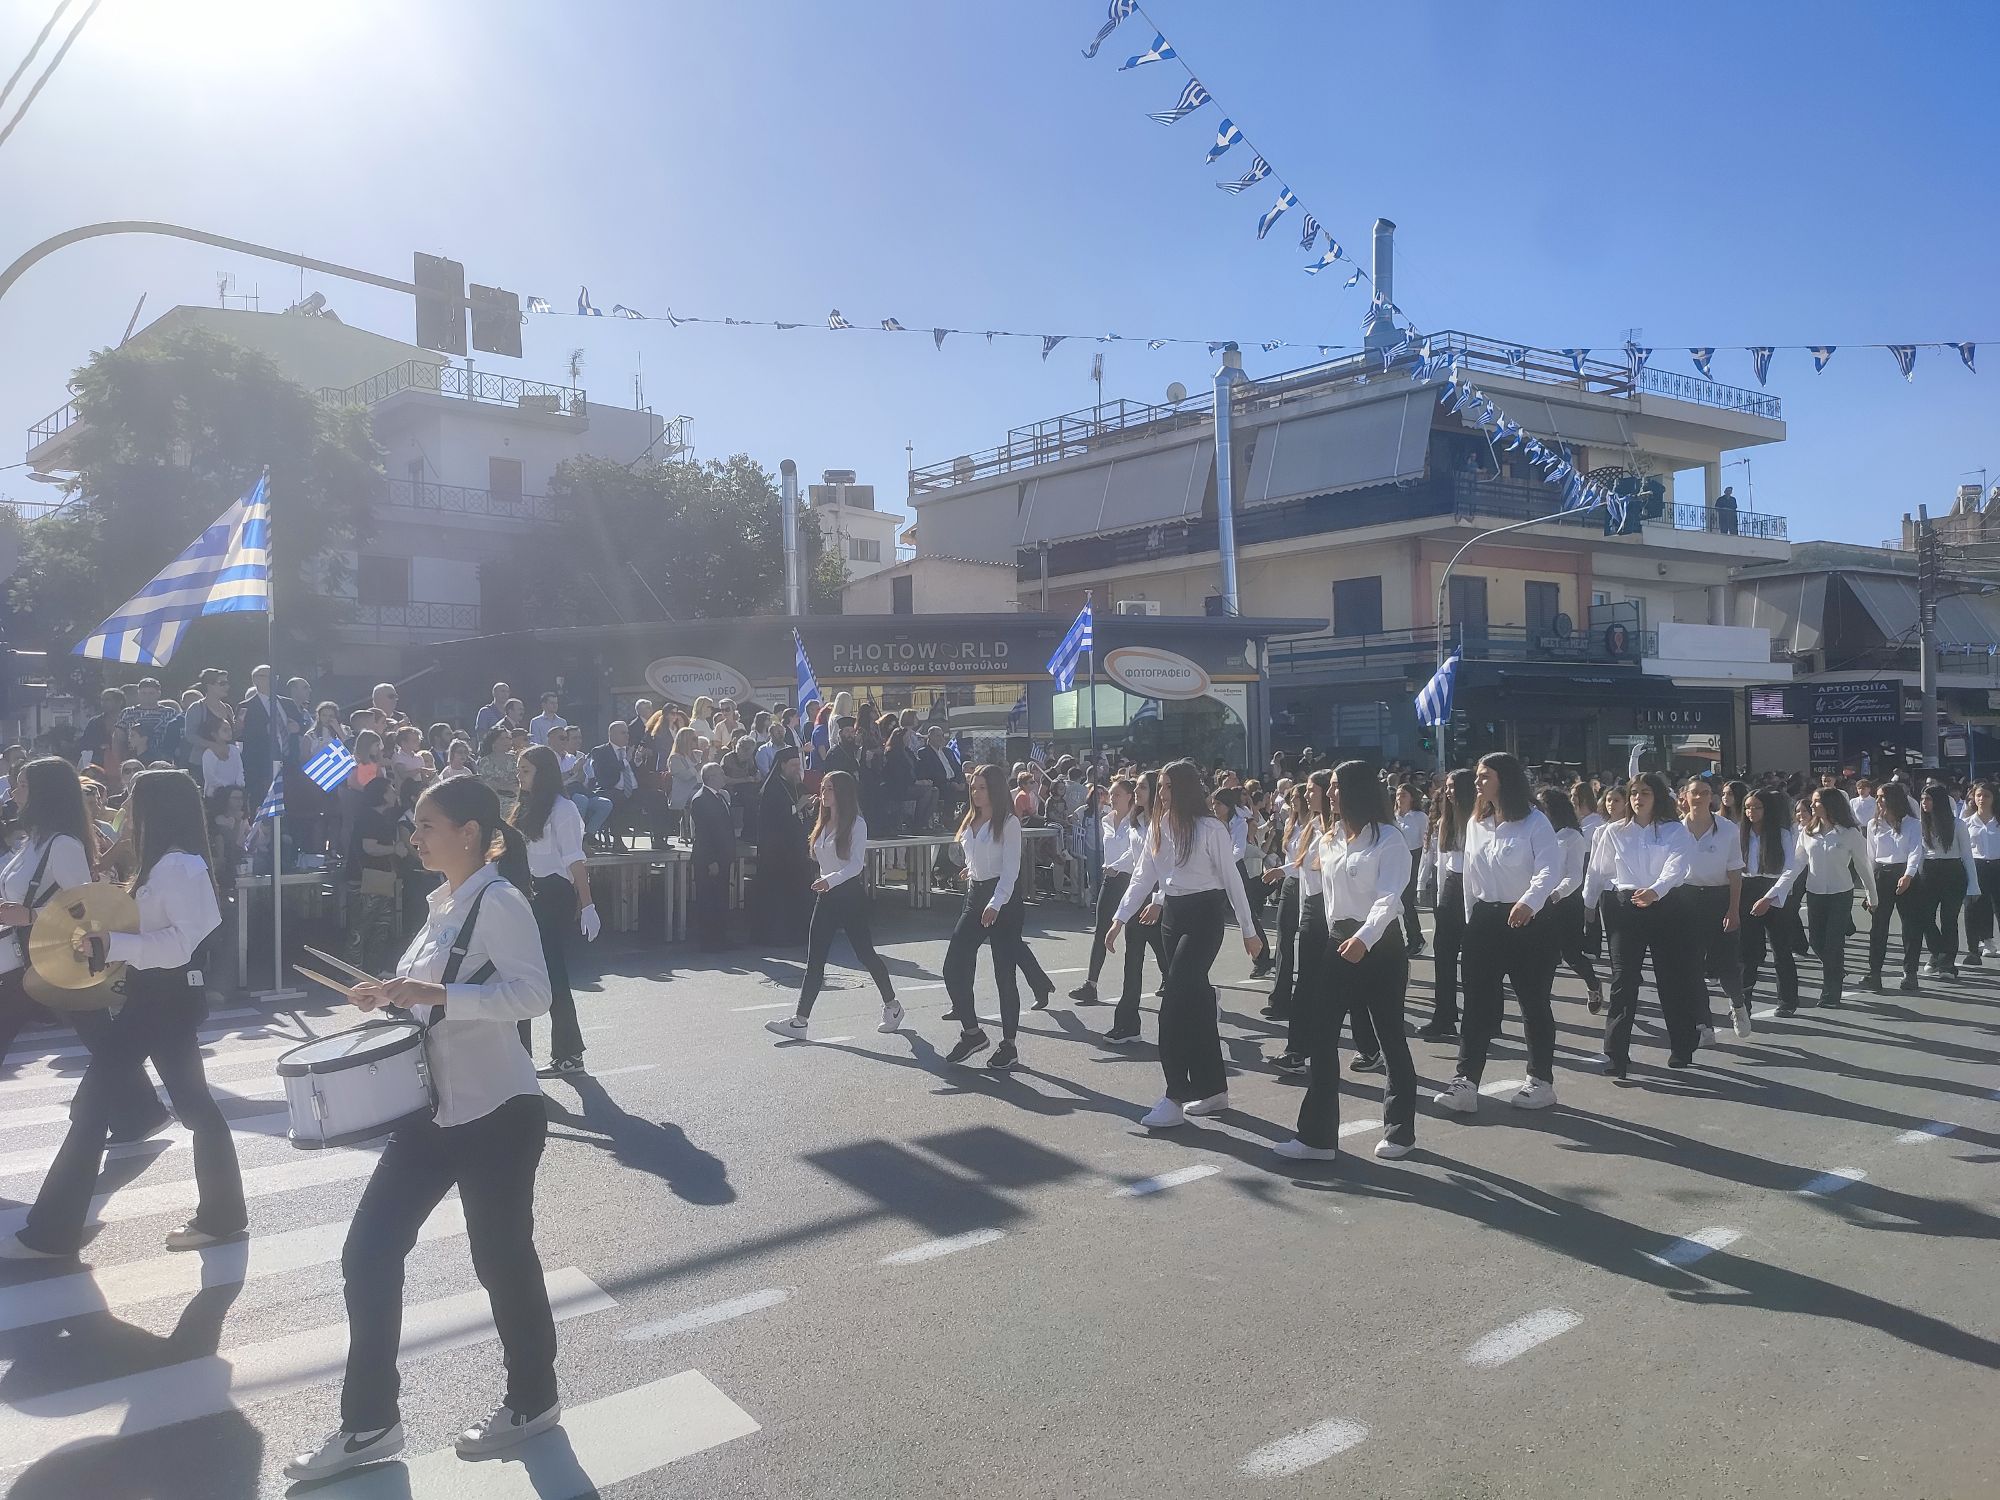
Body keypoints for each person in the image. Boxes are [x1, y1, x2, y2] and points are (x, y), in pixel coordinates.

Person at [284, 775, 559, 1480]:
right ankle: (371, 1422)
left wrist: (434, 992)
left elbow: (534, 994)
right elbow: (425, 1001)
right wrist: (387, 995)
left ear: (469, 833)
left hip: (498, 1112)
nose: (415, 837)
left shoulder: (499, 901)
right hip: (432, 1113)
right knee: (368, 1253)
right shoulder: (440, 904)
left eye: (427, 825)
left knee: (502, 1262)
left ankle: (533, 1400)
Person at [1, 770, 247, 1261]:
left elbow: (180, 945)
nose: (125, 807)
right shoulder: (164, 863)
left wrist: (113, 943)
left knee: (94, 1107)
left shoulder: (180, 866)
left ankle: (53, 1233)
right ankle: (223, 1216)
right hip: (153, 1000)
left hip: (163, 999)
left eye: (133, 798)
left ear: (158, 806)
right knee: (194, 1106)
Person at [0, 758, 170, 1154]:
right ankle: (143, 1110)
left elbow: (84, 908)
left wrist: (29, 915)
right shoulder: (33, 841)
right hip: (27, 959)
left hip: (50, 960)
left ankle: (143, 1111)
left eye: (22, 784)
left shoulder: (63, 844)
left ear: (42, 792)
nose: (14, 790)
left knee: (101, 1037)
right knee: (102, 1038)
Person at [1105, 759, 1262, 1129]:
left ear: (1185, 789)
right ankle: (1214, 1090)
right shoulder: (1159, 826)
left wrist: (1249, 930)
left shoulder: (1210, 828)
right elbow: (1143, 876)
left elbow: (1232, 880)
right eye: (1160, 786)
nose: (1161, 793)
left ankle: (1175, 1095)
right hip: (1172, 916)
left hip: (1204, 917)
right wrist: (1119, 919)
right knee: (1197, 1005)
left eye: (1168, 786)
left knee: (1174, 1002)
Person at [1275, 760, 1414, 1162]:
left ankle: (1401, 1132)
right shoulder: (1328, 839)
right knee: (1321, 1037)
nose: (1330, 794)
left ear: (1358, 791)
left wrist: (1364, 937)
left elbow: (1389, 899)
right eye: (1330, 787)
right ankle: (1317, 1139)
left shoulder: (1389, 839)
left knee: (1390, 1037)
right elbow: (1324, 898)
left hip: (1381, 945)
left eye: (1337, 787)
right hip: (1339, 943)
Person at [1435, 752, 1563, 1113]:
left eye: (1484, 776)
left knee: (1533, 1002)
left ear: (1504, 779)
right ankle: (1465, 1082)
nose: (1477, 782)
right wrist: (1471, 919)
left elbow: (1549, 870)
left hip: (1529, 921)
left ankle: (1540, 1081)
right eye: (1477, 776)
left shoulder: (1535, 821)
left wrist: (1529, 902)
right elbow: (1470, 877)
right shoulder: (1477, 822)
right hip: (1485, 920)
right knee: (1476, 1003)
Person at [765, 769, 901, 1040]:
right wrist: (824, 880)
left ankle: (892, 1005)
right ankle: (800, 1021)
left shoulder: (857, 824)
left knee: (865, 954)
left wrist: (831, 879)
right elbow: (819, 856)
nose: (823, 793)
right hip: (826, 896)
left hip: (848, 895)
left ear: (842, 793)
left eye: (829, 788)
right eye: (823, 788)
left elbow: (856, 865)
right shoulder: (823, 821)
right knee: (815, 960)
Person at [1583, 771, 1699, 1079]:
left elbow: (1677, 866)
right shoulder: (1613, 831)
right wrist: (1588, 905)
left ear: (1657, 797)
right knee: (1623, 980)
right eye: (1634, 793)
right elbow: (1598, 870)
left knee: (1670, 978)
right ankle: (1616, 1054)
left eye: (1645, 793)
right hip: (1626, 908)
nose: (1637, 798)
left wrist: (1656, 891)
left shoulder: (1674, 830)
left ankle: (1682, 1046)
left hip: (1666, 907)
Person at [510, 745, 598, 1076]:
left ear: (543, 773)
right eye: (519, 770)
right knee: (518, 974)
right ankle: (519, 1056)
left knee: (550, 974)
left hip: (552, 894)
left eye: (526, 770)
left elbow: (574, 859)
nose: (519, 776)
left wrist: (587, 904)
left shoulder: (563, 809)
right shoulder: (525, 805)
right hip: (525, 892)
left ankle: (569, 1053)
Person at [939, 763, 1030, 1070]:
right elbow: (977, 857)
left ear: (995, 789)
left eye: (982, 787)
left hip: (1003, 900)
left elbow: (1010, 870)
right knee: (953, 966)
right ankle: (972, 1033)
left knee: (1004, 973)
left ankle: (1009, 1045)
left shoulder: (1009, 823)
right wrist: (971, 869)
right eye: (973, 787)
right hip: (975, 895)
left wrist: (996, 902)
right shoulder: (971, 820)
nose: (976, 793)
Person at [1759, 785, 1871, 1009]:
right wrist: (1773, 894)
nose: (1812, 805)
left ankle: (1831, 994)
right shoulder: (1808, 832)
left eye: (1816, 801)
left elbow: (1864, 867)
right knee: (1816, 941)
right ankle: (1835, 969)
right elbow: (1795, 866)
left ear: (1830, 805)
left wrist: (1872, 896)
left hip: (1841, 894)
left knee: (1833, 943)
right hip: (1815, 893)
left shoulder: (1850, 833)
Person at [1681, 776, 1751, 1041]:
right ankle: (1703, 1024)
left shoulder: (1727, 829)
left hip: (1719, 898)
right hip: (1687, 899)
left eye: (1705, 792)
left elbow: (1735, 872)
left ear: (1711, 797)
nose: (1699, 797)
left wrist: (1733, 909)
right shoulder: (1675, 829)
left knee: (1727, 966)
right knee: (1692, 967)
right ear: (1685, 796)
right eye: (1694, 792)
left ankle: (1738, 1005)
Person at [1069, 776, 1145, 1008]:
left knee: (1141, 935)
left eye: (1117, 794)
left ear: (1130, 796)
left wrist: (1116, 866)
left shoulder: (1139, 821)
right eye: (1110, 794)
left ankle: (1167, 976)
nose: (1112, 798)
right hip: (1110, 880)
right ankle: (1090, 984)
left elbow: (1136, 851)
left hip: (1132, 880)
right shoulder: (1106, 820)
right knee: (1101, 930)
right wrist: (1109, 868)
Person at [1417, 768, 1477, 1040]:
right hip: (1451, 889)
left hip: (1475, 890)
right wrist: (1437, 895)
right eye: (1447, 787)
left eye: (1453, 787)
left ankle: (1482, 1019)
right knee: (1443, 954)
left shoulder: (1480, 821)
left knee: (1476, 960)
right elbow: (1441, 865)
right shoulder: (1446, 821)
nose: (1448, 792)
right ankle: (1444, 1016)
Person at [1535, 787, 1604, 1013]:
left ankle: (1593, 984)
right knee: (1543, 955)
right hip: (1539, 902)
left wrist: (1556, 893)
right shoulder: (1538, 834)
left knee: (1571, 954)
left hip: (1565, 903)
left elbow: (1574, 875)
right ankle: (1539, 1001)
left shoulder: (1571, 836)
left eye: (1543, 807)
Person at [1737, 789, 1800, 1015]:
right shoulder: (1740, 833)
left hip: (1774, 891)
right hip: (1747, 889)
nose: (1751, 812)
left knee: (1781, 949)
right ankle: (1743, 1003)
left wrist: (1769, 897)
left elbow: (1790, 869)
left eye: (1757, 807)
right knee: (1747, 952)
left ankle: (1787, 1001)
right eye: (1748, 807)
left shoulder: (1781, 834)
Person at [1863, 782, 1925, 993]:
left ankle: (1910, 972)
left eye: (1883, 796)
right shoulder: (1873, 825)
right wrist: (1869, 888)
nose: (1879, 800)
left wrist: (1908, 875)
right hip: (1881, 875)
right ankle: (1874, 973)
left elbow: (1916, 851)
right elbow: (1870, 857)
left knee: (1911, 926)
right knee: (1878, 927)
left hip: (1906, 874)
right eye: (1878, 797)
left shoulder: (1913, 824)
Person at [752, 745, 813, 944]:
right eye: (793, 765)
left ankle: (800, 932)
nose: (797, 769)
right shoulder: (772, 788)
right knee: (779, 894)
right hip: (777, 852)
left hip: (796, 849)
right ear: (782, 765)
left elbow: (800, 814)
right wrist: (799, 806)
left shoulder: (796, 785)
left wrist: (808, 808)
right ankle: (778, 935)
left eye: (798, 765)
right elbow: (775, 817)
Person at [1914, 781, 1974, 980]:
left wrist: (1974, 885)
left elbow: (1967, 856)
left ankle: (1947, 963)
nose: (1924, 803)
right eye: (1922, 799)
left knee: (1949, 919)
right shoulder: (1919, 824)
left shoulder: (1958, 824)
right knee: (1924, 916)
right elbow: (1917, 854)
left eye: (1929, 799)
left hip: (1953, 872)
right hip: (1928, 872)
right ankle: (1937, 952)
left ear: (1939, 801)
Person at [688, 762, 736, 950]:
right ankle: (709, 940)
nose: (724, 776)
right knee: (708, 899)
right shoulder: (701, 799)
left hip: (723, 856)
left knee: (721, 898)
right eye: (720, 774)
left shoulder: (720, 797)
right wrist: (711, 860)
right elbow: (703, 833)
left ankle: (721, 937)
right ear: (710, 778)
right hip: (709, 859)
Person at [1962, 780, 2000, 964]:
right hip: (1976, 866)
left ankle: (1990, 942)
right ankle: (1973, 950)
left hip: (1997, 865)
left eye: (1986, 795)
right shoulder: (1966, 822)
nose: (1982, 799)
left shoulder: (1997, 821)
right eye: (1978, 795)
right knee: (1973, 908)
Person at [1393, 783, 1428, 955]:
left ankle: (1417, 938)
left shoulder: (1419, 817)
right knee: (1401, 901)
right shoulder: (1393, 817)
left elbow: (1425, 842)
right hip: (1397, 860)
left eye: (1404, 795)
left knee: (1407, 900)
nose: (1399, 798)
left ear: (1412, 798)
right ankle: (1412, 939)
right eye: (1398, 795)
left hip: (1414, 858)